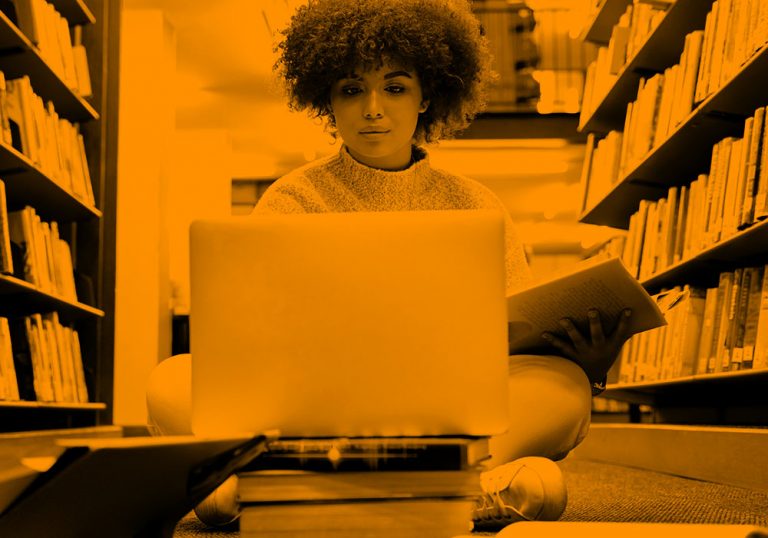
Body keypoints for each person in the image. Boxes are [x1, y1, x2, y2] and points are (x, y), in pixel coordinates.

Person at [146, 0, 632, 529]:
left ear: (428, 96)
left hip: (446, 416)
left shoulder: (477, 205)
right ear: (327, 100)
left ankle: (281, 489)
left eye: (395, 88)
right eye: (352, 89)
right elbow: (248, 342)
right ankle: (456, 490)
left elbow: (516, 337)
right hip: (310, 416)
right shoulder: (290, 199)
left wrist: (589, 366)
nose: (373, 108)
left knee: (564, 386)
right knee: (170, 381)